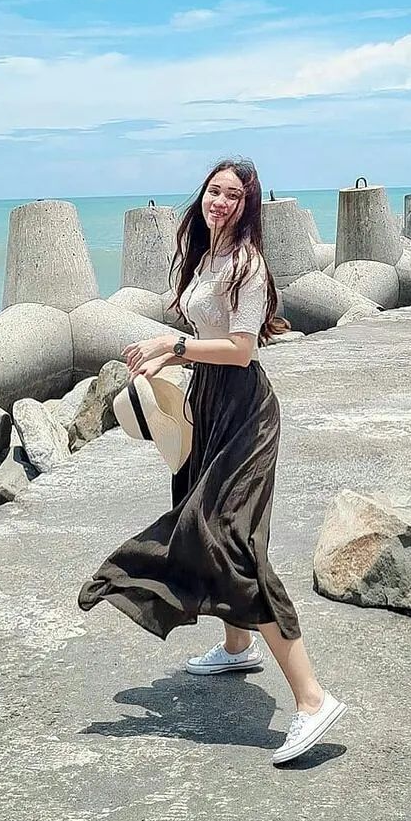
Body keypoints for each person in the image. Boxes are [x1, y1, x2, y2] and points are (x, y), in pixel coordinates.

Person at [78, 158, 347, 766]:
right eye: (213, 191)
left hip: (246, 414)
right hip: (209, 405)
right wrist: (165, 360)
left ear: (247, 204)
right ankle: (236, 647)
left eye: (232, 195)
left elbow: (242, 350)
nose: (219, 202)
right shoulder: (204, 257)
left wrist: (172, 346)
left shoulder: (247, 264)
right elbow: (207, 344)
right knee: (199, 517)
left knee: (228, 539)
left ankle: (311, 699)